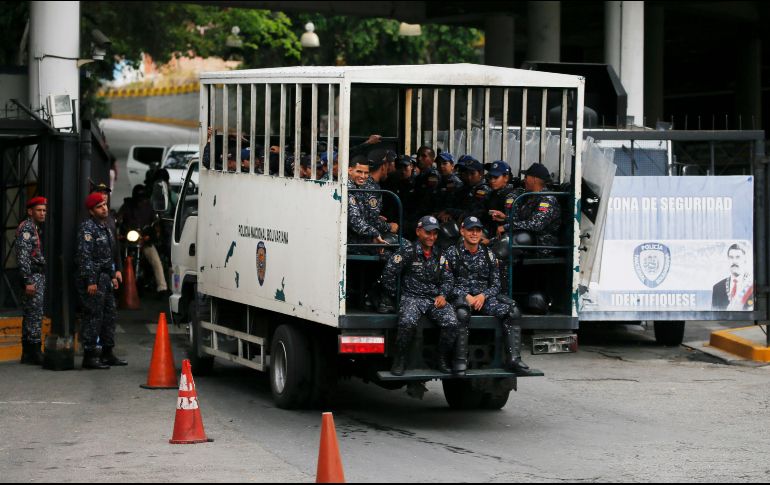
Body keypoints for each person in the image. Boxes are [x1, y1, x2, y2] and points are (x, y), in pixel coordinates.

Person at [443, 216, 534, 376]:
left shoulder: (489, 254)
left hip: (483, 300)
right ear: (463, 231)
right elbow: (446, 285)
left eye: (477, 230)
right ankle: (459, 361)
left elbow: (496, 285)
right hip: (461, 300)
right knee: (461, 314)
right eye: (470, 230)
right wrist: (466, 296)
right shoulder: (452, 253)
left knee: (512, 312)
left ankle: (514, 359)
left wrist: (483, 296)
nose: (474, 233)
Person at [380, 215, 458, 376]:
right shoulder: (408, 250)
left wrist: (443, 295)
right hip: (411, 297)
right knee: (407, 322)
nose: (431, 237)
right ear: (418, 232)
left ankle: (441, 358)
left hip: (433, 299)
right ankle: (400, 359)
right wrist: (398, 296)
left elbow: (448, 279)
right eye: (428, 233)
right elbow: (389, 273)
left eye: (435, 233)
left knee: (451, 322)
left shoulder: (440, 254)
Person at [76, 193, 127, 369]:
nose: (104, 208)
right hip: (94, 280)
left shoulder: (105, 227)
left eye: (104, 204)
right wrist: (91, 280)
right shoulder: (88, 229)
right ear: (91, 211)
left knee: (109, 315)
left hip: (106, 278)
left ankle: (107, 352)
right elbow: (85, 257)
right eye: (99, 206)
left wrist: (113, 275)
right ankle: (89, 355)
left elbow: (109, 255)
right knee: (93, 316)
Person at [116, 185, 168, 296]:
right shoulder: (127, 206)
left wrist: (151, 234)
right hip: (128, 240)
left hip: (144, 241)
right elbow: (119, 217)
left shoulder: (149, 207)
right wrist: (119, 227)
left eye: (143, 199)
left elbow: (155, 224)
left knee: (156, 260)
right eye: (139, 199)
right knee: (116, 256)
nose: (141, 201)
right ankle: (116, 284)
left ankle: (162, 287)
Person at [16, 196, 48, 365]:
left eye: (44, 210)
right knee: (34, 314)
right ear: (30, 211)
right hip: (32, 276)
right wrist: (28, 280)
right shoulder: (27, 228)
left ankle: (28, 352)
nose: (43, 213)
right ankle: (34, 351)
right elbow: (23, 257)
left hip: (36, 275)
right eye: (39, 210)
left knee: (31, 314)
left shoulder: (34, 227)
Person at [347, 158, 387, 251]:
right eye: (359, 172)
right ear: (350, 170)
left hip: (361, 239)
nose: (363, 176)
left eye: (366, 173)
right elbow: (355, 220)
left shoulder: (358, 188)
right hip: (354, 243)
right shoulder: (348, 190)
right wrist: (375, 233)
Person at [93, 183, 123, 290]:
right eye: (100, 193)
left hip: (110, 269)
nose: (104, 195)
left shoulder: (110, 217)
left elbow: (115, 245)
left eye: (105, 193)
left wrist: (118, 269)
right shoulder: (90, 218)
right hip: (96, 273)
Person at [712, 243, 754, 310]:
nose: (734, 261)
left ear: (744, 260)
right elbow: (714, 317)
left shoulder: (753, 286)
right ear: (728, 260)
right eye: (731, 257)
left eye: (738, 257)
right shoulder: (717, 288)